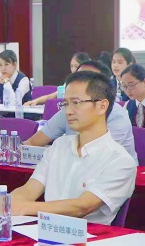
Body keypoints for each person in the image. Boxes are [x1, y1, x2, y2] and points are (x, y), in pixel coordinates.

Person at [10, 71, 136, 223]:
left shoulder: (120, 161)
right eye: (66, 104)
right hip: (45, 229)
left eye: (76, 103)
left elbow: (82, 207)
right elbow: (29, 190)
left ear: (102, 106)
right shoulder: (59, 145)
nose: (68, 111)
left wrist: (25, 207)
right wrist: (7, 202)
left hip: (87, 236)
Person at [24, 59, 138, 164]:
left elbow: (97, 157)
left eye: (87, 79)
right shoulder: (68, 110)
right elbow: (32, 143)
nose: (78, 83)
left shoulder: (118, 117)